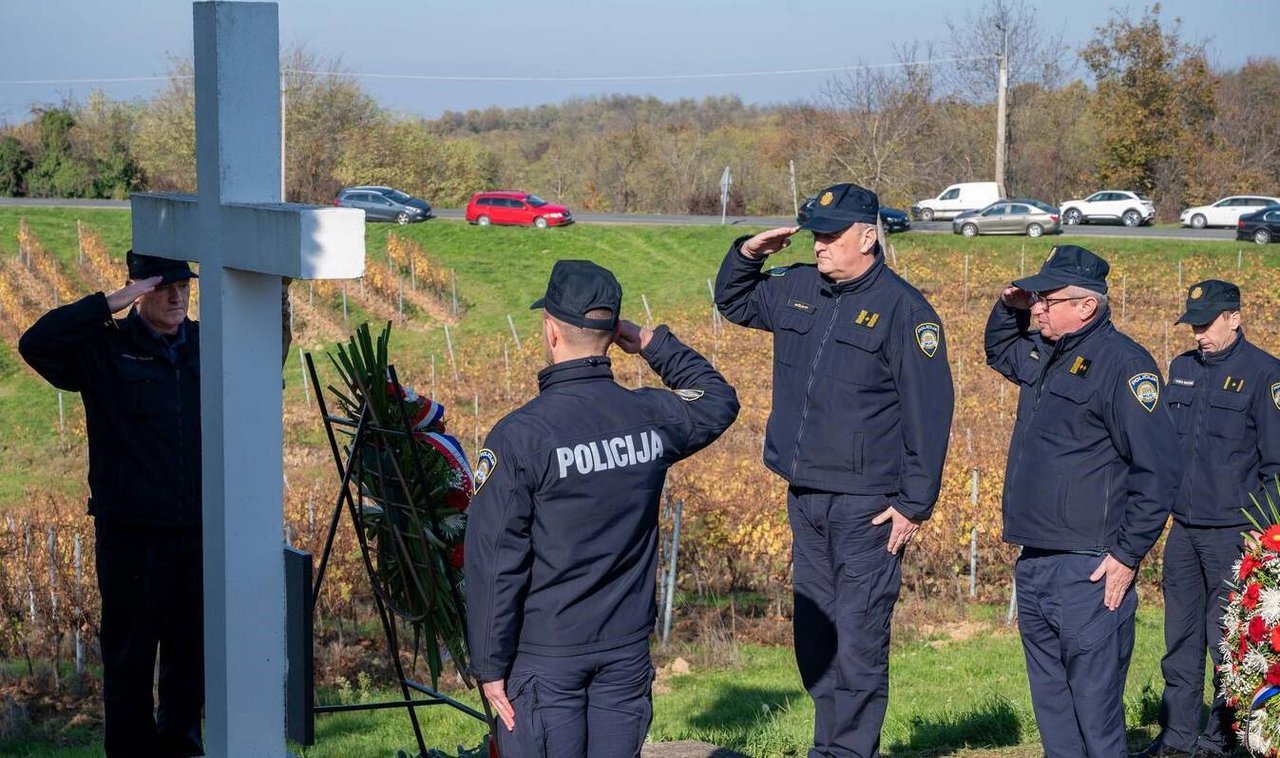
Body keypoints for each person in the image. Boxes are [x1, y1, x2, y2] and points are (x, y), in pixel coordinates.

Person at [714, 182, 954, 758]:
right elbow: (734, 301)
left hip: (868, 504)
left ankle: (848, 750)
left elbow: (930, 411)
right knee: (816, 633)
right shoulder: (799, 286)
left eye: (831, 235)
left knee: (860, 633)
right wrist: (749, 252)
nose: (819, 245)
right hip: (806, 496)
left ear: (868, 237)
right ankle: (830, 742)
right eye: (815, 234)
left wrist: (915, 502)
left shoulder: (905, 311)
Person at [464, 259, 739, 758]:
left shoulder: (521, 437)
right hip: (625, 651)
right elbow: (717, 400)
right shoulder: (648, 416)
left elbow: (494, 561)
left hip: (546, 657)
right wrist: (651, 342)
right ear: (613, 334)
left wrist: (488, 666)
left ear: (550, 330)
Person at [984, 244, 1181, 758]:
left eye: (1046, 299)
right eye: (1035, 300)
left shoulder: (1124, 365)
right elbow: (998, 348)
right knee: (1054, 712)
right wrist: (1010, 304)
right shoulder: (1046, 353)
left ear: (1086, 305)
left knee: (1095, 715)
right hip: (1037, 560)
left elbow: (1158, 471)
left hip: (1090, 569)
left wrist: (1126, 555)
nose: (1037, 309)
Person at [18, 251, 203, 757]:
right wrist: (110, 302)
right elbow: (35, 344)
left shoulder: (205, 347)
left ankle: (182, 751)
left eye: (183, 285)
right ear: (139, 291)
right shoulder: (106, 349)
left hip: (195, 533)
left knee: (190, 659)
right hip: (130, 538)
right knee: (129, 659)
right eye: (162, 286)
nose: (176, 296)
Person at [1140, 280, 1280, 758]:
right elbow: (1162, 448)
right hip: (1183, 530)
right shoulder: (1181, 369)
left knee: (1228, 644)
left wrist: (1262, 537)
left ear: (1234, 318)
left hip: (1235, 535)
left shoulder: (1265, 374)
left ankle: (1223, 738)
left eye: (1206, 324)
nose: (1198, 334)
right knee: (1178, 640)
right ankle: (1177, 737)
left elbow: (1276, 468)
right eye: (1193, 324)